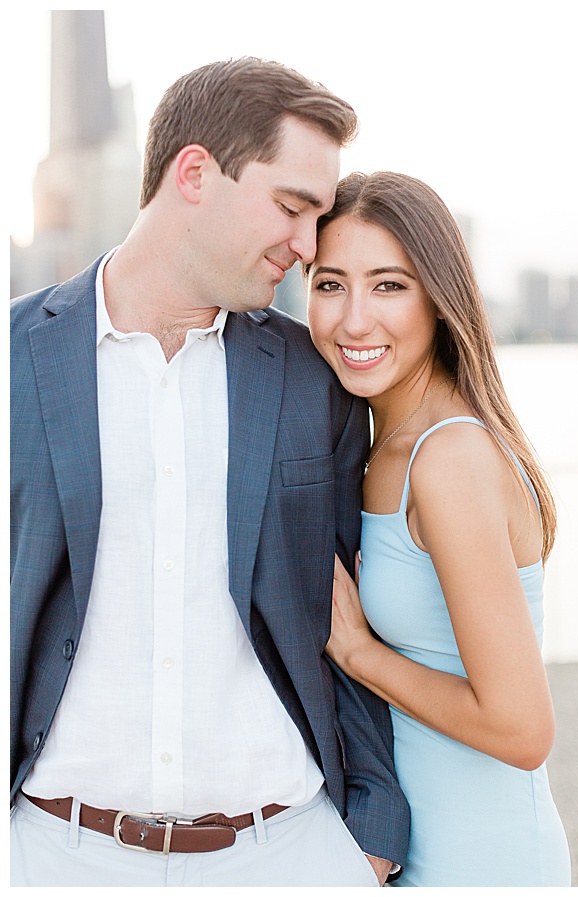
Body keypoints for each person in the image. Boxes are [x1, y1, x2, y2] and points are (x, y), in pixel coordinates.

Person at [10, 58, 409, 886]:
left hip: (289, 850)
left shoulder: (313, 379)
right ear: (195, 173)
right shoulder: (15, 358)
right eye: (292, 208)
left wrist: (370, 834)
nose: (306, 247)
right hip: (53, 852)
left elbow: (347, 610)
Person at [305, 170, 572, 886]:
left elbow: (523, 728)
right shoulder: (373, 451)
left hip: (484, 860)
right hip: (405, 850)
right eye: (330, 285)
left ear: (438, 297)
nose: (354, 319)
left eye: (388, 285)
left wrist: (359, 652)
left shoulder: (448, 456)